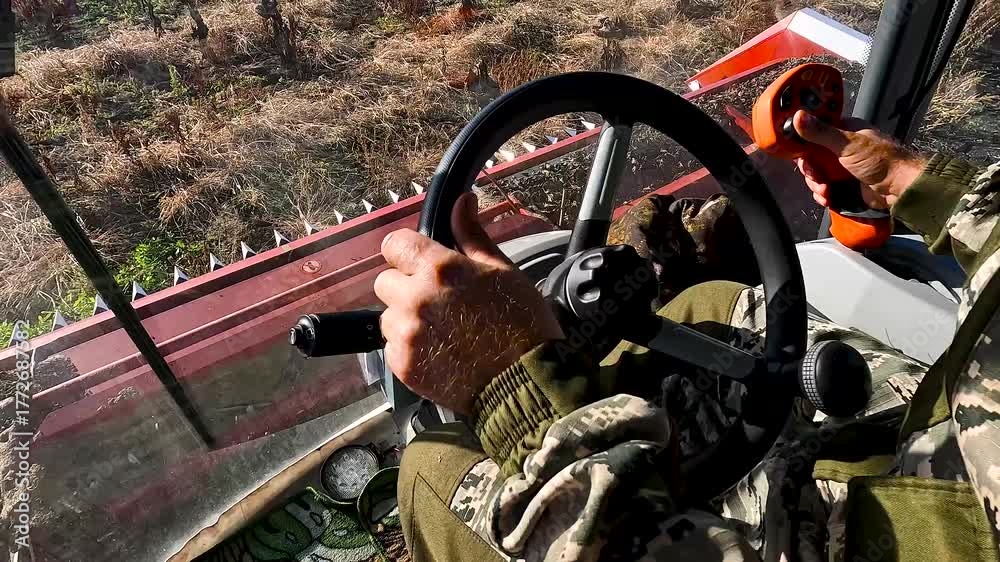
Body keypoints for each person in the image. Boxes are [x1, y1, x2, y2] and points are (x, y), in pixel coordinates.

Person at [374, 109, 1000, 561]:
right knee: (708, 304)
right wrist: (927, 187)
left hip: (873, 533)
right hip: (943, 447)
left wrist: (514, 388)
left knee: (432, 464)